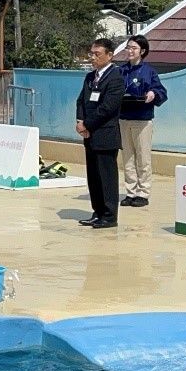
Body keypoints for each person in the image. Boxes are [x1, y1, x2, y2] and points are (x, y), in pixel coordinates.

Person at [76, 38, 125, 229]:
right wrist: (80, 121)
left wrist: (87, 124)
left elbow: (108, 108)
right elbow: (81, 101)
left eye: (97, 54)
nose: (93, 58)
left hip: (105, 135)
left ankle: (109, 216)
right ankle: (97, 211)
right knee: (94, 176)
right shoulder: (90, 77)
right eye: (92, 54)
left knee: (107, 178)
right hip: (89, 135)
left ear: (109, 55)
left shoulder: (115, 78)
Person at [119, 35, 167, 208]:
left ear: (142, 51)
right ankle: (130, 192)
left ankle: (143, 192)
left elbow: (161, 91)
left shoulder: (149, 71)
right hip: (124, 119)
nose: (130, 51)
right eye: (128, 47)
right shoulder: (121, 70)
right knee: (127, 158)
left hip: (142, 120)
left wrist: (153, 94)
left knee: (143, 158)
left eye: (134, 48)